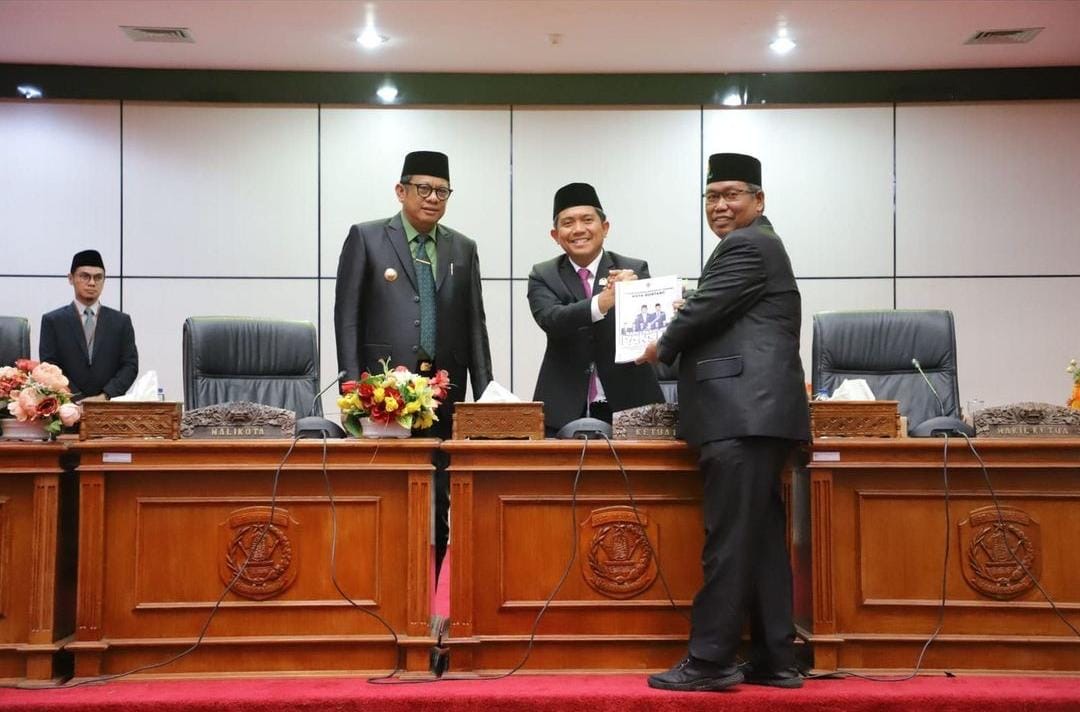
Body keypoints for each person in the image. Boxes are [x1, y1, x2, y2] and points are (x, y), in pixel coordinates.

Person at [637, 153, 810, 691]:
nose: (720, 205)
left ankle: (711, 661)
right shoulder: (757, 246)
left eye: (732, 194)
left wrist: (658, 342)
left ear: (759, 200)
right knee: (757, 539)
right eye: (712, 197)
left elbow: (702, 312)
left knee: (728, 540)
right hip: (754, 415)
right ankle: (775, 657)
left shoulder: (747, 244)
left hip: (742, 413)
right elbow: (713, 304)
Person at [334, 150, 492, 580]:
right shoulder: (366, 238)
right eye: (423, 188)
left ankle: (432, 589)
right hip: (382, 394)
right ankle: (382, 584)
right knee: (386, 494)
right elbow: (346, 315)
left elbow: (475, 323)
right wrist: (351, 388)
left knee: (442, 497)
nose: (433, 198)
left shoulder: (463, 246)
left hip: (446, 392)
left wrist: (487, 398)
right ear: (401, 190)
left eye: (442, 191)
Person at [528, 182, 664, 435]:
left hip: (631, 402)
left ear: (605, 227)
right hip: (564, 405)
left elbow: (649, 329)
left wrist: (632, 293)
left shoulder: (633, 270)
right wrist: (602, 302)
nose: (579, 229)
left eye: (587, 220)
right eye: (568, 223)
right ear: (555, 236)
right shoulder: (543, 274)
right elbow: (551, 319)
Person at [39, 249, 138, 400]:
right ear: (71, 278)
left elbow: (130, 366)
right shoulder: (53, 321)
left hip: (108, 407)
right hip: (67, 408)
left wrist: (105, 396)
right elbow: (50, 366)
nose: (92, 283)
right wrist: (77, 398)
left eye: (98, 277)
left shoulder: (121, 322)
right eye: (85, 276)